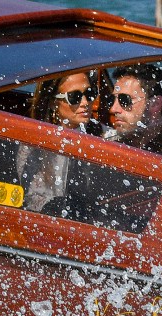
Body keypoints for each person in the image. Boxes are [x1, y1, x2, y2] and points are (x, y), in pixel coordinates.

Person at [17, 72, 101, 212]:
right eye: (74, 97)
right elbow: (32, 198)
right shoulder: (33, 143)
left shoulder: (103, 136)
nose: (85, 102)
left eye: (90, 93)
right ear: (53, 102)